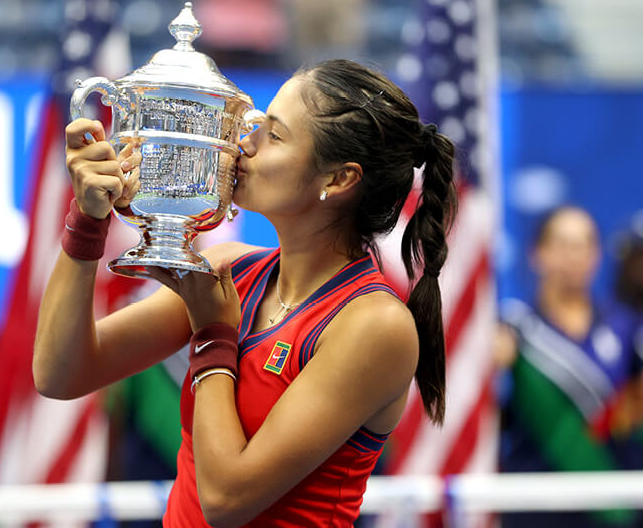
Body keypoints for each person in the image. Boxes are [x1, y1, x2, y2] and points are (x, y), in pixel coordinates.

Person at [34, 59, 457, 526]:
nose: (244, 145)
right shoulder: (229, 270)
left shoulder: (374, 325)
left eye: (272, 136)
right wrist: (88, 221)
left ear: (338, 180)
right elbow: (60, 374)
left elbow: (225, 500)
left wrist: (215, 336)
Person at [494, 206, 643, 528]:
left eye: (583, 245)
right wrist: (493, 368)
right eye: (562, 245)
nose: (573, 256)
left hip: (613, 508)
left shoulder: (627, 328)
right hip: (535, 508)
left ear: (597, 256)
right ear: (538, 253)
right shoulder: (513, 329)